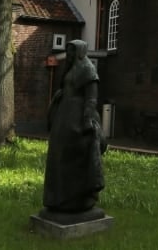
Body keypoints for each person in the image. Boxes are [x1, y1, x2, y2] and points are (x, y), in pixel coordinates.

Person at [42, 39, 107, 215]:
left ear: (80, 52)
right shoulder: (70, 69)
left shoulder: (88, 70)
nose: (69, 55)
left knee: (74, 157)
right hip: (64, 119)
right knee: (58, 156)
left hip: (76, 120)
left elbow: (91, 99)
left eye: (72, 51)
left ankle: (77, 200)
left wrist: (87, 120)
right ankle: (57, 198)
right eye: (67, 51)